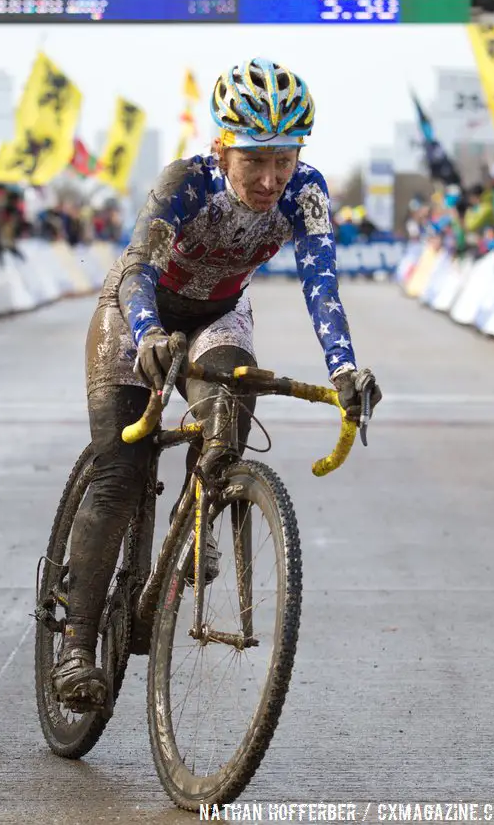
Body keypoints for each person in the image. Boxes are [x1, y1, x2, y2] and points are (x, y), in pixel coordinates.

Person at [52, 58, 382, 711]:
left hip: (216, 313)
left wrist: (345, 369)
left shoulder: (305, 192)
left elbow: (322, 287)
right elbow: (139, 270)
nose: (270, 179)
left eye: (283, 160)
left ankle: (193, 528)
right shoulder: (185, 183)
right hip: (138, 314)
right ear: (222, 148)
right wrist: (147, 336)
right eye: (254, 161)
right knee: (121, 471)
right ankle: (75, 645)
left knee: (228, 414)